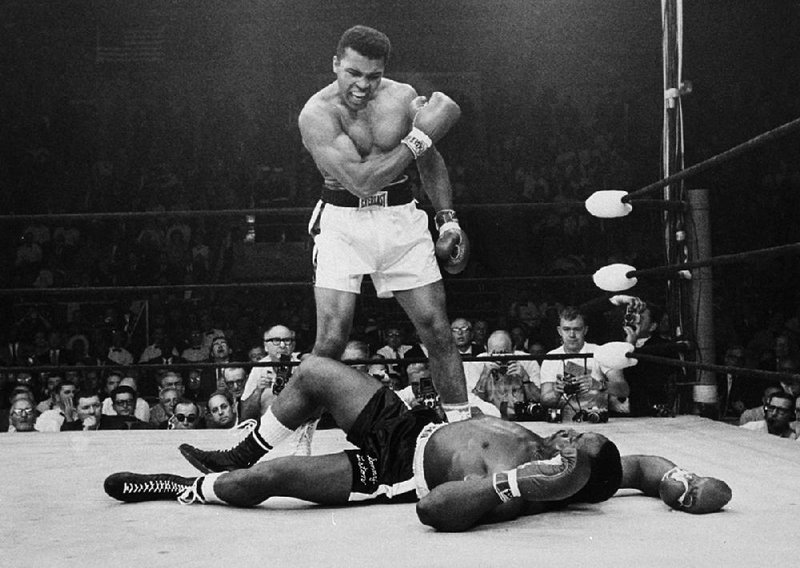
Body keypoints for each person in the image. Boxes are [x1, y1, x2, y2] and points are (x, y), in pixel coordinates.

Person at [105, 355, 732, 532]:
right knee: (318, 372)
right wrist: (689, 486)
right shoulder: (575, 455)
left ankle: (185, 489)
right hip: (409, 422)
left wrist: (513, 485)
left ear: (570, 476)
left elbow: (432, 512)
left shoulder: (523, 492)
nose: (565, 432)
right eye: (574, 430)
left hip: (393, 469)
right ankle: (240, 447)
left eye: (572, 444)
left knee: (266, 485)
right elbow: (646, 467)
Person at [298, 25, 471, 423]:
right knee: (330, 340)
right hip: (343, 221)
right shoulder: (317, 113)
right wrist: (418, 137)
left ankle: (461, 430)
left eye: (372, 76)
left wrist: (448, 221)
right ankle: (299, 441)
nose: (362, 85)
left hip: (401, 218)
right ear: (336, 64)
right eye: (353, 73)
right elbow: (360, 182)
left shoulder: (402, 97)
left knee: (437, 330)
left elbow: (430, 161)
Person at [539, 306, 629, 422]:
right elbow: (544, 400)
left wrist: (600, 385)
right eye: (566, 329)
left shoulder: (601, 353)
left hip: (597, 421)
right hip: (563, 423)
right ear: (559, 331)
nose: (572, 335)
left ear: (585, 330)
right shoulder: (550, 357)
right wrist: (557, 391)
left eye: (577, 329)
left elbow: (623, 389)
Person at [471, 330, 541, 420]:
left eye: (504, 352)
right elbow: (473, 404)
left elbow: (538, 400)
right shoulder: (478, 363)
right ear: (486, 349)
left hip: (522, 420)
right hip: (490, 421)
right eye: (494, 353)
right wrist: (484, 376)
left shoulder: (528, 361)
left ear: (513, 349)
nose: (499, 358)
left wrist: (525, 378)